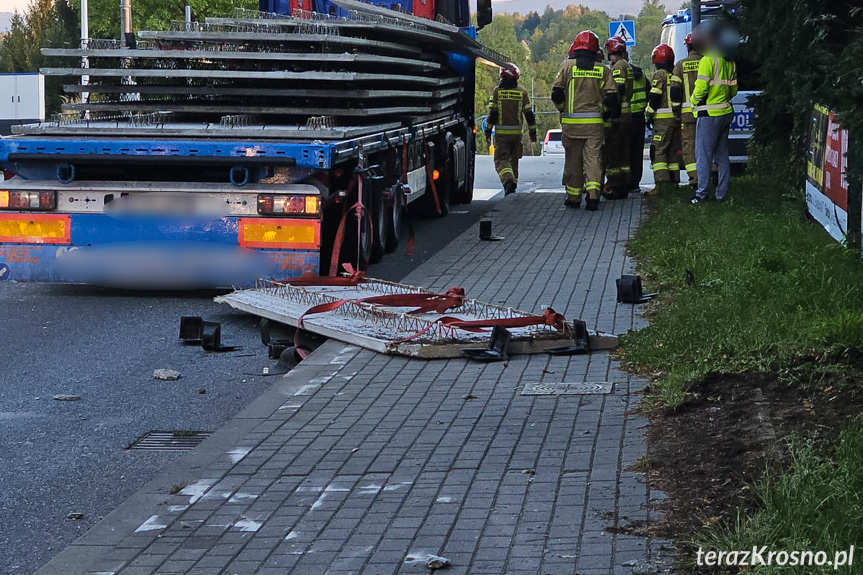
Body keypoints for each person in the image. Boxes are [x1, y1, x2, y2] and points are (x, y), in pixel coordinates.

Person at [552, 31, 618, 211]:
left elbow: (556, 93)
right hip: (594, 125)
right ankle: (593, 196)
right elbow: (612, 97)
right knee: (594, 159)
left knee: (573, 160)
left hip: (571, 125)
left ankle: (573, 198)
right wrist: (603, 112)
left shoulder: (567, 67)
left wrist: (562, 109)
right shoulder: (603, 69)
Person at [690, 24, 738, 204]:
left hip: (708, 113)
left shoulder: (707, 60)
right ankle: (721, 195)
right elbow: (734, 90)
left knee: (703, 156)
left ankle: (701, 194)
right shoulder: (729, 60)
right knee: (722, 156)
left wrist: (693, 102)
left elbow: (701, 88)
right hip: (726, 111)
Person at [484, 63, 537, 195]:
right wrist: (533, 132)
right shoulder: (522, 92)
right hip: (516, 135)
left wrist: (488, 131)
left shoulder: (497, 91)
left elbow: (493, 114)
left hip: (502, 135)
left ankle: (508, 181)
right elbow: (529, 114)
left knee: (501, 160)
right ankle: (513, 186)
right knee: (514, 162)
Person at [644, 44, 682, 195]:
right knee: (672, 152)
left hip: (662, 121)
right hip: (675, 120)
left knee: (657, 151)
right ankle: (674, 183)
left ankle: (661, 185)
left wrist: (649, 114)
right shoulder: (674, 74)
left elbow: (655, 97)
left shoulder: (659, 74)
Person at [602, 36, 634, 200]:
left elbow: (618, 90)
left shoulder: (618, 67)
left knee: (613, 153)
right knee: (623, 153)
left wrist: (610, 112)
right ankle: (624, 185)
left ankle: (615, 186)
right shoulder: (626, 65)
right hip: (626, 114)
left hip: (618, 115)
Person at [673, 33, 703, 190]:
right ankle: (711, 174)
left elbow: (675, 90)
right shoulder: (708, 62)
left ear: (688, 47)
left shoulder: (680, 65)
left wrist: (676, 109)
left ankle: (694, 179)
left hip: (687, 113)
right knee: (706, 145)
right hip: (706, 113)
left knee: (689, 146)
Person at [628, 56, 648, 194]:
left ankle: (624, 182)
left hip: (624, 117)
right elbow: (650, 92)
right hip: (639, 117)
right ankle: (635, 184)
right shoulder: (640, 74)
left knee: (623, 153)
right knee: (637, 153)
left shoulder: (617, 72)